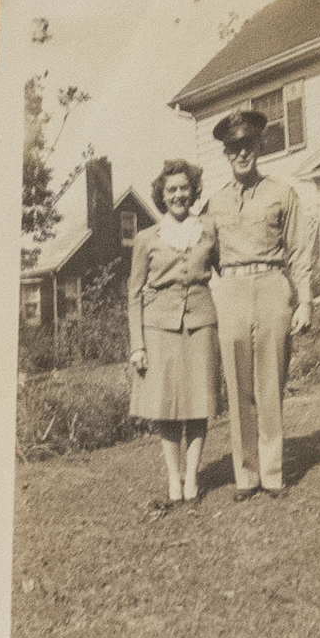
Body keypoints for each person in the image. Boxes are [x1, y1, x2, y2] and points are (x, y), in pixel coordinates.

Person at [197, 103, 320, 503]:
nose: (242, 152)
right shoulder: (214, 204)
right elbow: (202, 255)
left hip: (273, 287)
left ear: (259, 146)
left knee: (270, 382)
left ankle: (273, 473)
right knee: (238, 386)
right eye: (234, 147)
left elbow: (300, 252)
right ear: (225, 153)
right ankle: (246, 475)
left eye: (249, 145)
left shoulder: (282, 193)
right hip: (232, 291)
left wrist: (305, 302)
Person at [124, 157, 218, 509]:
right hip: (159, 328)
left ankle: (191, 476)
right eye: (171, 190)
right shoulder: (146, 238)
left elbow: (227, 267)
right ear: (162, 196)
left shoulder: (208, 230)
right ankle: (173, 477)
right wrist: (137, 345)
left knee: (198, 404)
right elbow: (134, 293)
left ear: (193, 191)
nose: (179, 195)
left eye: (184, 188)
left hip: (201, 324)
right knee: (165, 408)